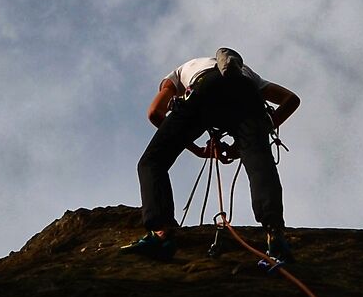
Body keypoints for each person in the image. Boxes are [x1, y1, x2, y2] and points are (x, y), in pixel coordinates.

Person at [127, 48, 299, 262]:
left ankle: (162, 234)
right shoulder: (247, 73)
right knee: (260, 166)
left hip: (205, 89)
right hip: (247, 97)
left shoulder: (179, 73)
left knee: (152, 162)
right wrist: (250, 139)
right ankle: (275, 235)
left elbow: (155, 112)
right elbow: (291, 100)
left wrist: (197, 149)